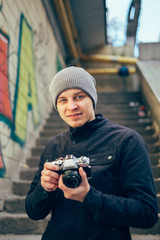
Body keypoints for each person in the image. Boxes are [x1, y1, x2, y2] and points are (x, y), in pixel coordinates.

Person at [25, 66, 158, 240]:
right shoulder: (53, 146)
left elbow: (146, 213)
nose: (71, 106)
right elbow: (33, 211)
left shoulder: (127, 140)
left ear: (92, 98)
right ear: (57, 106)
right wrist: (44, 189)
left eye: (79, 97)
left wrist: (89, 197)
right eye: (62, 100)